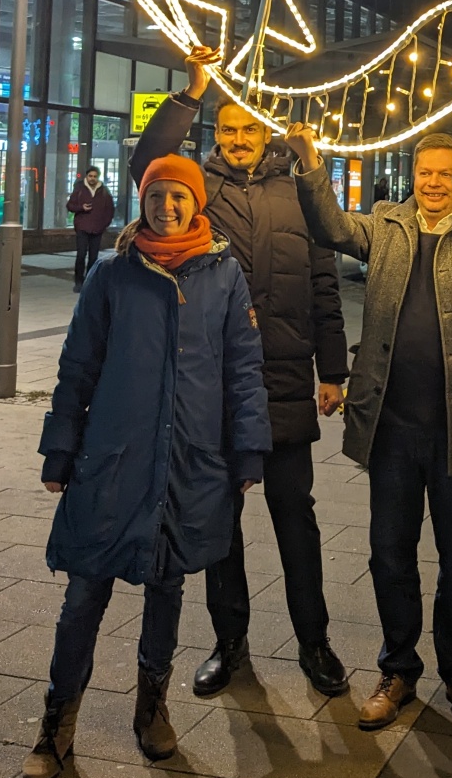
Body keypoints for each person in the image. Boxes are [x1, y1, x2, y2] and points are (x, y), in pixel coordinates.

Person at [23, 155, 270, 778]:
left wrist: (247, 453)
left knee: (167, 586)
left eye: (178, 196)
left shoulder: (223, 275)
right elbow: (77, 367)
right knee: (84, 593)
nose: (167, 205)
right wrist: (60, 451)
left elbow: (244, 373)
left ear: (195, 203)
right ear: (144, 200)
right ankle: (57, 722)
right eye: (157, 194)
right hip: (112, 459)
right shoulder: (112, 274)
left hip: (189, 458)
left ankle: (151, 706)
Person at [286, 124, 452, 734]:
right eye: (426, 172)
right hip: (392, 425)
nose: (434, 183)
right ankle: (398, 667)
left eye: (447, 172)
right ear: (413, 173)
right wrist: (311, 160)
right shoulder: (386, 225)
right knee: (387, 553)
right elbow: (330, 228)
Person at [130, 47, 350, 700]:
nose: (238, 140)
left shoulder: (299, 192)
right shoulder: (198, 190)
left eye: (248, 129)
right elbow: (146, 168)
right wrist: (190, 93)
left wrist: (332, 370)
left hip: (282, 386)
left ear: (266, 133)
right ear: (215, 134)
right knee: (218, 528)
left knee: (295, 520)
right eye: (227, 130)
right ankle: (230, 644)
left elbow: (324, 288)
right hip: (214, 390)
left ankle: (315, 642)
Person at [66, 166, 115, 291]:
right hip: (82, 227)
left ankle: (90, 281)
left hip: (97, 228)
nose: (92, 179)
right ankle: (78, 281)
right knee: (81, 254)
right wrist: (81, 207)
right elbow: (70, 205)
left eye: (95, 176)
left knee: (94, 257)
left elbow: (110, 210)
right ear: (86, 177)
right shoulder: (80, 189)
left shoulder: (104, 191)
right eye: (90, 176)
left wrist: (104, 224)